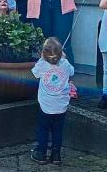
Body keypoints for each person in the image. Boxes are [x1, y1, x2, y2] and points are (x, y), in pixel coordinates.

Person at [30, 37, 74, 166]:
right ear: (61, 52)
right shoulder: (65, 64)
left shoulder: (42, 64)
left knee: (43, 130)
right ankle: (56, 155)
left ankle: (41, 154)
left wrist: (41, 59)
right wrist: (64, 58)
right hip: (61, 105)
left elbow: (35, 73)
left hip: (46, 105)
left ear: (43, 53)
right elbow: (72, 71)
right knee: (57, 130)